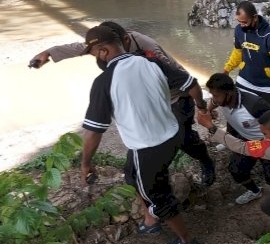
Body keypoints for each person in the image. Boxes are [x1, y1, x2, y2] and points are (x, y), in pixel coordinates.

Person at [29, 21, 216, 186]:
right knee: (151, 143)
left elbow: (177, 75)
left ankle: (205, 162)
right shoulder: (109, 44)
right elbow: (82, 47)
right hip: (150, 98)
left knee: (183, 138)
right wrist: (48, 53)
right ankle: (156, 180)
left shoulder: (147, 47)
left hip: (176, 96)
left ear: (124, 40)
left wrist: (200, 106)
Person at [80, 26, 198, 244]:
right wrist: (201, 106)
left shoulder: (103, 82)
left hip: (148, 146)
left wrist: (85, 163)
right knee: (131, 174)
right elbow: (190, 84)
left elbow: (94, 132)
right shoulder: (151, 61)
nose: (97, 59)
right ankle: (151, 219)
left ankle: (185, 240)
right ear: (123, 40)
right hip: (172, 134)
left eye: (95, 54)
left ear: (103, 51)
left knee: (156, 193)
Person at [205, 73, 270, 205]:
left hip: (266, 143)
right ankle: (255, 191)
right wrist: (208, 110)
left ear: (229, 93)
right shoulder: (223, 100)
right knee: (236, 170)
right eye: (212, 95)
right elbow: (213, 102)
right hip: (245, 139)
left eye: (216, 96)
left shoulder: (254, 104)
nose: (214, 99)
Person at [223, 1, 270, 108]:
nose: (242, 25)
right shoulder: (239, 30)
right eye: (239, 22)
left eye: (244, 22)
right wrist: (226, 70)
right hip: (244, 80)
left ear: (255, 18)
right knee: (237, 113)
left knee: (268, 119)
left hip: (268, 86)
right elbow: (237, 52)